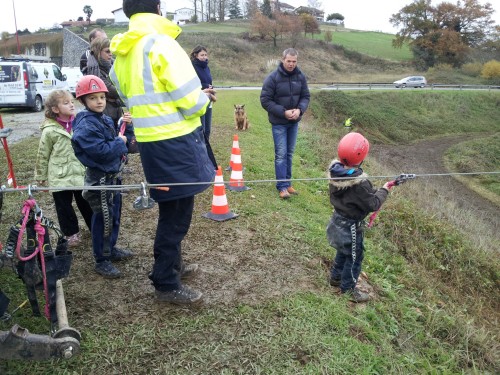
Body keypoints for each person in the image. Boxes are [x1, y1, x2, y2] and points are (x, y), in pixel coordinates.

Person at [109, 0, 216, 305]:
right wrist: (203, 99)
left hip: (149, 140)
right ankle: (165, 282)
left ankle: (174, 267)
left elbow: (127, 92)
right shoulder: (161, 44)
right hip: (175, 140)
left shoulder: (126, 49)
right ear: (157, 8)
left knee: (174, 207)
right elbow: (190, 99)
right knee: (177, 215)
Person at [71, 75, 135, 278]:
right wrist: (120, 141)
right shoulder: (85, 126)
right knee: (103, 219)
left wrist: (126, 127)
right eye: (93, 98)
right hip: (100, 180)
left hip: (112, 177)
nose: (99, 101)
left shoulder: (105, 119)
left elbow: (118, 138)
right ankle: (101, 259)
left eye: (102, 97)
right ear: (83, 101)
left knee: (114, 215)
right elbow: (102, 150)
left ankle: (110, 248)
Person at [326, 132, 391, 303]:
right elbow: (373, 204)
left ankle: (336, 277)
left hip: (336, 220)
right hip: (351, 226)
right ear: (361, 156)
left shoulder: (336, 173)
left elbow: (359, 197)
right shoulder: (361, 184)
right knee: (355, 257)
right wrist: (384, 190)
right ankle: (348, 289)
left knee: (343, 250)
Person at [34, 89, 93, 247]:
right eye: (66, 103)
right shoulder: (49, 131)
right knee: (64, 207)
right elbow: (43, 154)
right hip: (59, 177)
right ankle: (71, 233)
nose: (71, 105)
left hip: (80, 173)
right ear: (55, 109)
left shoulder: (80, 124)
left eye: (72, 102)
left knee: (86, 202)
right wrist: (40, 175)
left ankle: (94, 228)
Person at [260, 48, 310, 200]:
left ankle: (287, 183)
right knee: (281, 155)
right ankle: (281, 187)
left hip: (294, 123)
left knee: (289, 154)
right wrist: (283, 112)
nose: (291, 64)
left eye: (294, 61)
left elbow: (305, 96)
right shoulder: (272, 78)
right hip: (279, 123)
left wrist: (299, 110)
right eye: (288, 61)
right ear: (282, 60)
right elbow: (265, 100)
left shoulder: (300, 77)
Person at [85, 37, 126, 127]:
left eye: (111, 51)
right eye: (107, 51)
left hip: (115, 109)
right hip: (104, 112)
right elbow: (111, 89)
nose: (111, 54)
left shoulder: (111, 67)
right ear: (98, 52)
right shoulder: (93, 70)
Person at [190, 45, 216, 141]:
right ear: (196, 55)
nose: (204, 57)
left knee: (208, 129)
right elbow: (193, 83)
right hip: (199, 99)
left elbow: (209, 81)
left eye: (206, 55)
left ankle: (206, 149)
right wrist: (205, 86)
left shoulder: (206, 67)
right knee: (202, 128)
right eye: (202, 55)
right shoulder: (192, 66)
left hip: (208, 98)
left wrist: (211, 87)